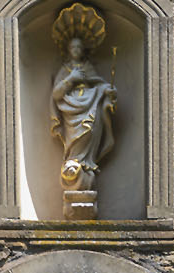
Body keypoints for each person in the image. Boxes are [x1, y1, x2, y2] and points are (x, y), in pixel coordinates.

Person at [50, 4, 116, 194]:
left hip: (90, 106)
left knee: (90, 129)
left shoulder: (88, 67)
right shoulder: (65, 70)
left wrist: (108, 90)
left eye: (79, 47)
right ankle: (74, 162)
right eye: (73, 47)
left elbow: (98, 83)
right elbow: (56, 94)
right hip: (71, 111)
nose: (76, 49)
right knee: (74, 141)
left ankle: (86, 163)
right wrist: (71, 79)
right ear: (68, 49)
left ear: (84, 49)